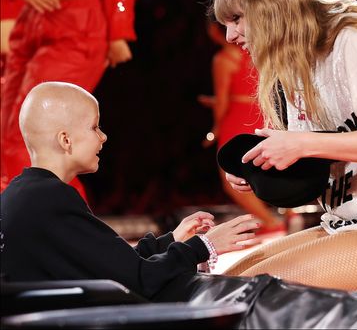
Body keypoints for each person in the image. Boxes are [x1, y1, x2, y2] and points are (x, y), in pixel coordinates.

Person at [209, 0, 357, 294]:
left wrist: (302, 143)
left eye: (236, 19)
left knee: (252, 297)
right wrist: (263, 165)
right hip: (352, 222)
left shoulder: (353, 39)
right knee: (219, 288)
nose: (230, 36)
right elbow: (326, 164)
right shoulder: (294, 63)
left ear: (269, 7)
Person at [0, 81, 260, 300]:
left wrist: (170, 241)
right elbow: (138, 279)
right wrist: (205, 245)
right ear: (65, 140)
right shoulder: (52, 199)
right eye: (94, 127)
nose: (103, 137)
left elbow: (111, 264)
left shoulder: (22, 195)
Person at [0, 0, 136, 199]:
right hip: (28, 24)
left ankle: (66, 224)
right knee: (6, 139)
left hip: (77, 24)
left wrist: (118, 31)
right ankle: (33, 225)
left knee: (28, 138)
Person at [199, 21, 286, 234]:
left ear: (213, 30)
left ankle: (270, 221)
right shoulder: (254, 52)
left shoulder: (223, 59)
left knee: (230, 177)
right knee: (262, 167)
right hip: (259, 112)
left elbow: (223, 100)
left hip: (237, 118)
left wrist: (216, 128)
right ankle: (285, 214)